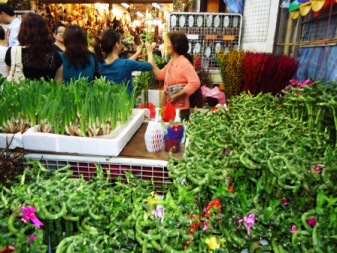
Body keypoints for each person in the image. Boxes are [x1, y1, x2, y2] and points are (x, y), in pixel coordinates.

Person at [149, 32, 200, 121]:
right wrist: (150, 53)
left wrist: (177, 96)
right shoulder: (172, 61)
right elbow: (160, 75)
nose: (167, 46)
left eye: (168, 43)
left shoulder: (184, 63)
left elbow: (195, 83)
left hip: (180, 111)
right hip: (170, 108)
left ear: (175, 45)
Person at [5, 13, 63, 82]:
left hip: (20, 92)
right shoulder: (54, 56)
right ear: (45, 31)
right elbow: (58, 85)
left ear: (22, 30)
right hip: (46, 92)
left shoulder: (12, 52)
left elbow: (10, 76)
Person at [98, 29, 153, 94]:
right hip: (128, 103)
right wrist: (149, 52)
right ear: (117, 44)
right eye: (120, 42)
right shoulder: (126, 64)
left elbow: (122, 64)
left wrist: (137, 53)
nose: (122, 45)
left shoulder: (100, 65)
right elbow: (150, 66)